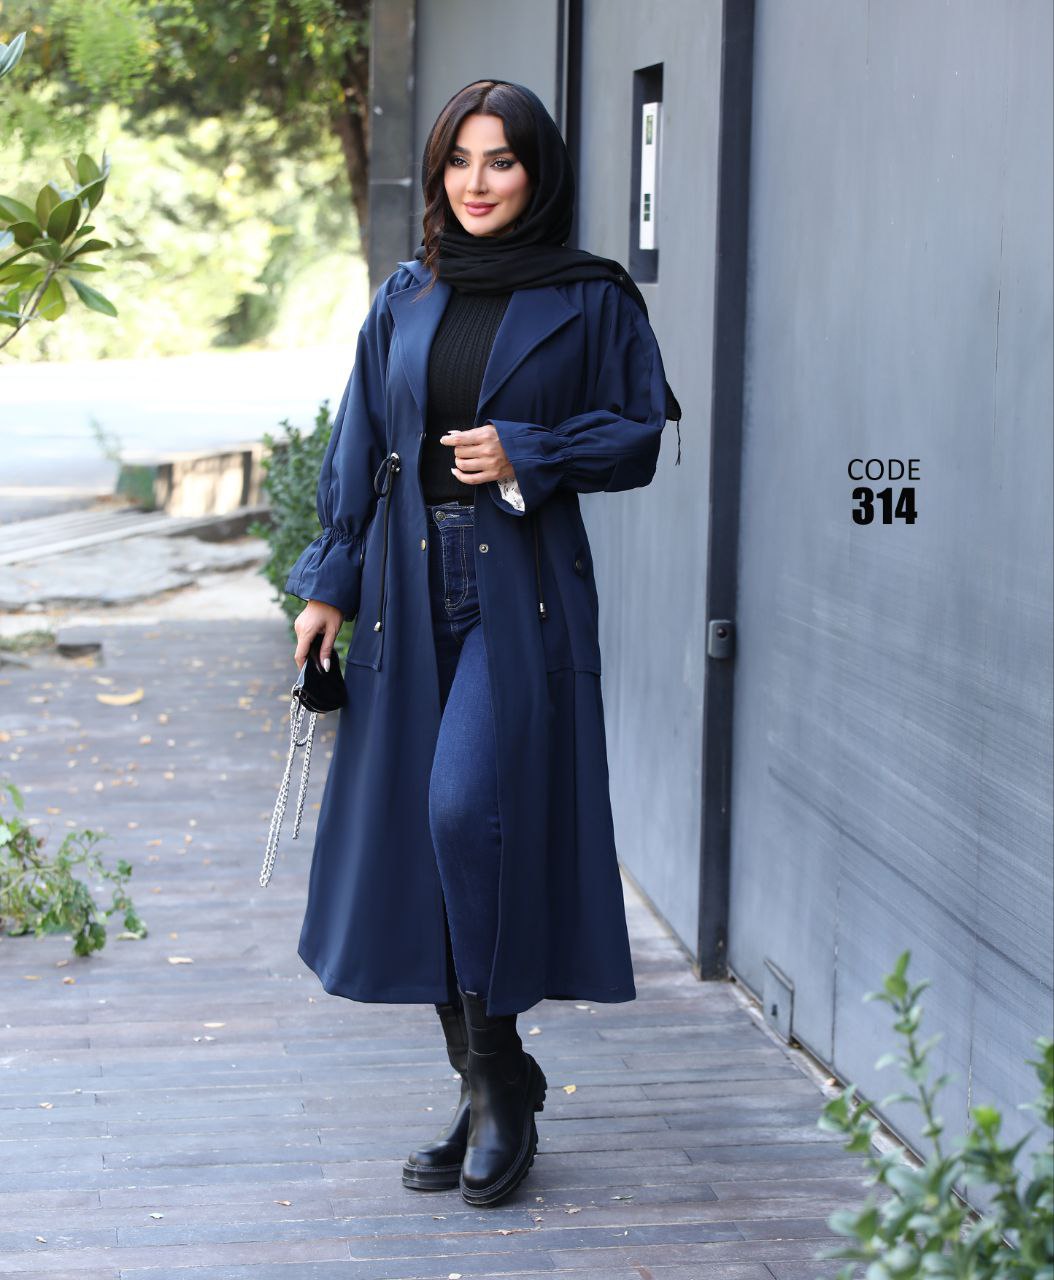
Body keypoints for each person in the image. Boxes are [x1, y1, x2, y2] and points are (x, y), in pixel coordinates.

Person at [284, 78, 681, 1208]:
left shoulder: (589, 296)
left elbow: (638, 436)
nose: (476, 181)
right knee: (423, 838)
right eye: (458, 160)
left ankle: (500, 1070)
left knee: (465, 810)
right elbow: (362, 441)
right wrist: (327, 586)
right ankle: (485, 1082)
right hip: (404, 590)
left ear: (535, 172)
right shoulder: (408, 293)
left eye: (500, 160)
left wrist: (529, 450)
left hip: (517, 588)